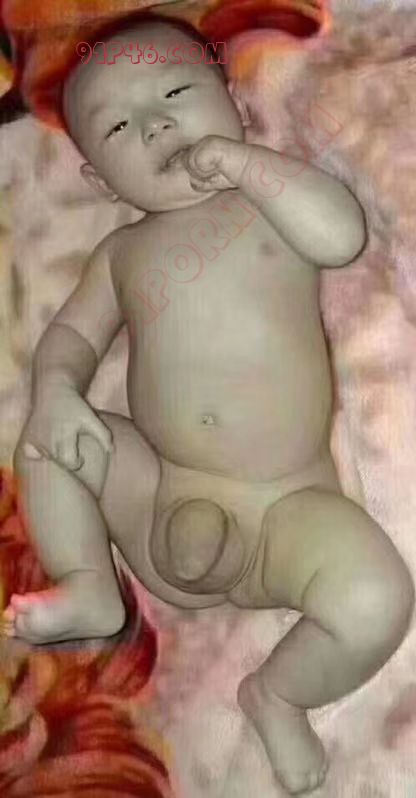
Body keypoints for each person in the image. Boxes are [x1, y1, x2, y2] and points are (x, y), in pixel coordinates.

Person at [3, 13, 414, 794]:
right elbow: (71, 340)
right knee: (49, 439)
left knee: (376, 595)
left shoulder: (270, 203)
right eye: (119, 126)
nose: (156, 125)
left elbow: (342, 236)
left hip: (290, 509)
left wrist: (250, 165)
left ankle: (281, 693)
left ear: (234, 103)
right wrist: (56, 391)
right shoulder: (122, 255)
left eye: (176, 94)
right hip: (162, 495)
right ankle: (90, 584)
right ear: (101, 181)